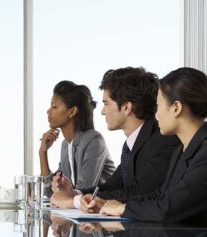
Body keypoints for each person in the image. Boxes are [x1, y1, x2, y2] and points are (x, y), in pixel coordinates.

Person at [89, 67, 207, 223]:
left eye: (158, 107)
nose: (156, 114)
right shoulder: (181, 150)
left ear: (176, 108)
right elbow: (159, 195)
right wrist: (110, 204)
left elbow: (168, 208)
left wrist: (123, 208)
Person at [51, 67, 180, 209]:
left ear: (126, 107)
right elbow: (111, 187)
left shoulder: (163, 141)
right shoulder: (133, 142)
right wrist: (74, 192)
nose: (102, 111)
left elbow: (139, 192)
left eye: (106, 103)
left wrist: (77, 200)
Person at [39, 80, 115, 197]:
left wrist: (63, 193)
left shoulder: (94, 140)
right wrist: (42, 152)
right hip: (84, 211)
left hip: (106, 211)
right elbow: (49, 193)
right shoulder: (66, 145)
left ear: (72, 111)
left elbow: (84, 191)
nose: (48, 111)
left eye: (54, 106)